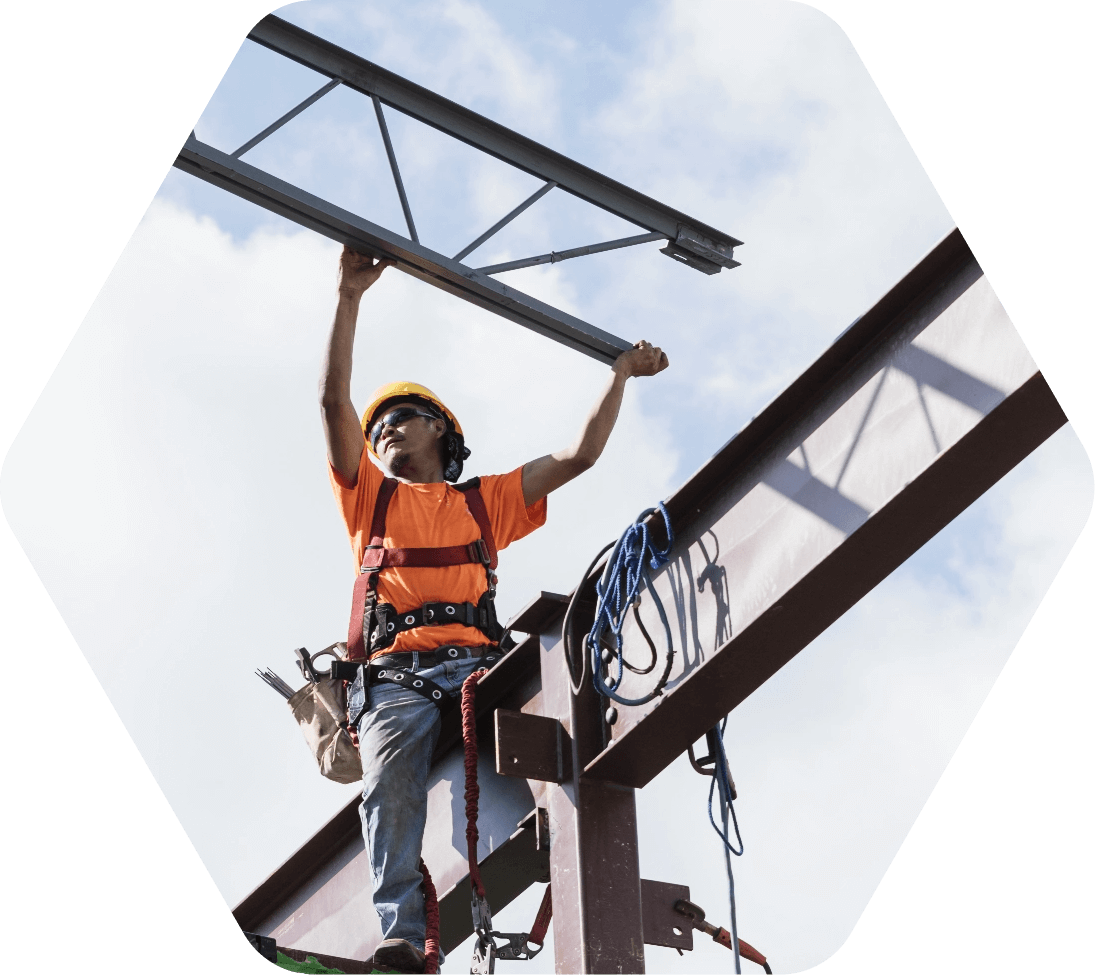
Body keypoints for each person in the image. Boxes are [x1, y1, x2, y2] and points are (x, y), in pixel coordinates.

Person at [320, 245, 668, 972]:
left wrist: (619, 377)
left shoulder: (484, 502)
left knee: (565, 740)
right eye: (379, 423)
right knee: (389, 785)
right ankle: (404, 932)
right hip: (398, 678)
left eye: (404, 417)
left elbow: (577, 457)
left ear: (440, 431)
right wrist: (347, 297)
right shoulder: (368, 497)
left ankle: (569, 845)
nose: (386, 428)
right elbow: (332, 402)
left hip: (482, 664)